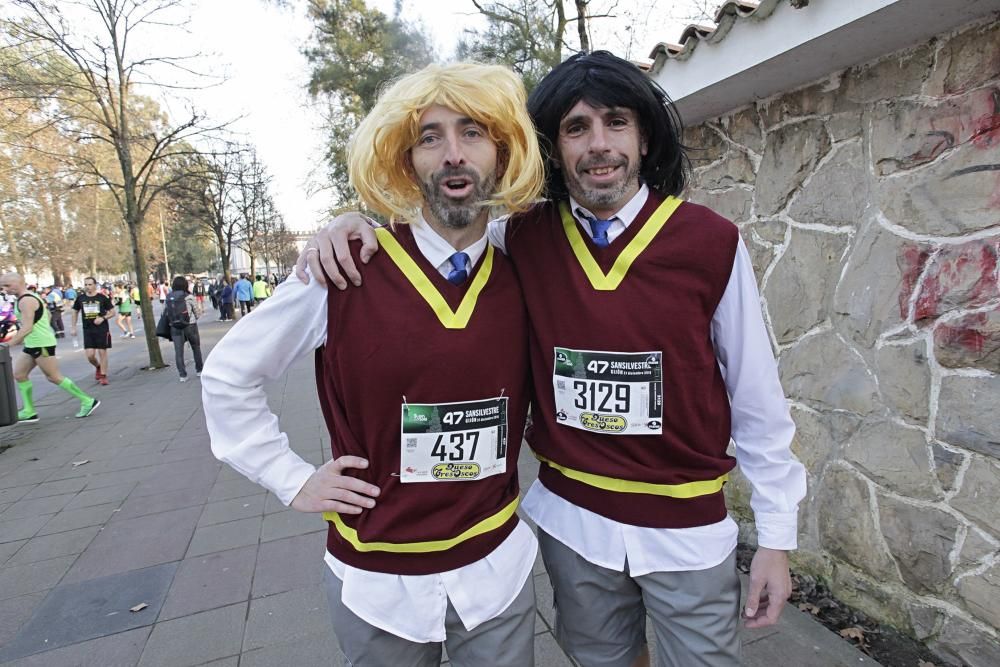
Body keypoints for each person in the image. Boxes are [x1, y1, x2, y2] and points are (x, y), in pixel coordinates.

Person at [299, 51, 808, 667]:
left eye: (615, 123)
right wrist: (356, 225)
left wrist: (776, 539)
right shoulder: (521, 236)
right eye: (576, 128)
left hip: (687, 531)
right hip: (575, 524)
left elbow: (757, 397)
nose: (598, 145)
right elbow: (437, 234)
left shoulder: (709, 243)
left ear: (643, 137)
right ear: (552, 148)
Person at [203, 62, 545, 667]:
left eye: (472, 132)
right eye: (429, 137)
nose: (453, 155)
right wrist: (292, 479)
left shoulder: (522, 261)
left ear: (502, 149)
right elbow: (229, 375)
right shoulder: (345, 270)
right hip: (379, 580)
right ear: (404, 159)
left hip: (495, 567)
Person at [0, 273, 99, 421]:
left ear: (18, 283)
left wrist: (7, 345)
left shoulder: (26, 301)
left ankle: (87, 401)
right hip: (33, 343)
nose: (4, 289)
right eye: (3, 286)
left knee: (53, 377)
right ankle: (29, 411)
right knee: (20, 374)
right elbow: (47, 316)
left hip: (41, 344)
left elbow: (27, 328)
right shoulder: (29, 297)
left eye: (7, 285)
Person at [71, 276, 116, 386]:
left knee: (102, 352)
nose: (88, 287)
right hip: (88, 329)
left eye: (90, 284)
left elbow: (112, 312)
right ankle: (98, 366)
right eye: (86, 284)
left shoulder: (102, 297)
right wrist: (73, 327)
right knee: (90, 355)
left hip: (101, 329)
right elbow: (74, 312)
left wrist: (102, 318)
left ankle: (103, 375)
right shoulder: (80, 298)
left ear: (95, 285)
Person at [164, 276, 204, 382]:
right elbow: (197, 313)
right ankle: (199, 370)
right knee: (196, 348)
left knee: (178, 351)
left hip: (175, 327)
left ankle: (182, 375)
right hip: (190, 326)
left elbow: (166, 313)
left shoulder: (168, 297)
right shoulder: (189, 297)